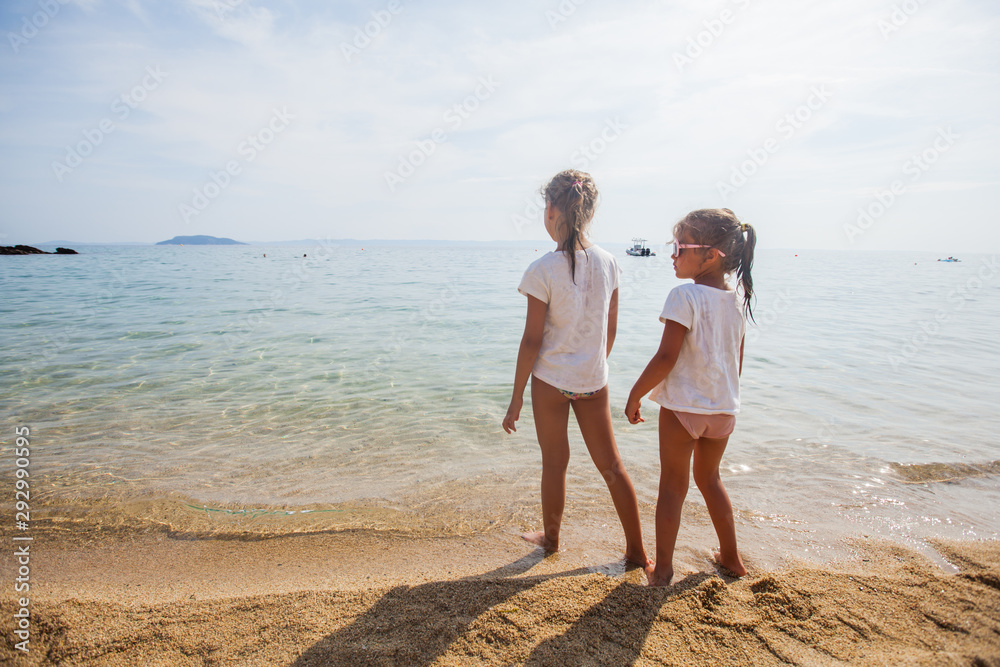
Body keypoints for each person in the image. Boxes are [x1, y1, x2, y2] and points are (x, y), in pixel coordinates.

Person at [502, 169, 649, 568]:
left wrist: (515, 397)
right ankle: (637, 552)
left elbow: (532, 340)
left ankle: (551, 540)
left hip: (550, 381)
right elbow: (610, 327)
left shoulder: (542, 270)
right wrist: (593, 364)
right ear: (588, 210)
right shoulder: (610, 263)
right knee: (612, 466)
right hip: (593, 380)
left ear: (551, 209)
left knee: (555, 461)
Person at [625, 208, 756, 586]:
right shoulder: (736, 301)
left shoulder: (684, 296)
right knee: (710, 479)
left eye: (680, 247)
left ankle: (662, 570)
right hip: (723, 411)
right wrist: (722, 399)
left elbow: (667, 357)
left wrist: (636, 394)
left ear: (710, 255)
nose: (673, 254)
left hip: (683, 409)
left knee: (672, 486)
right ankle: (731, 557)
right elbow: (737, 362)